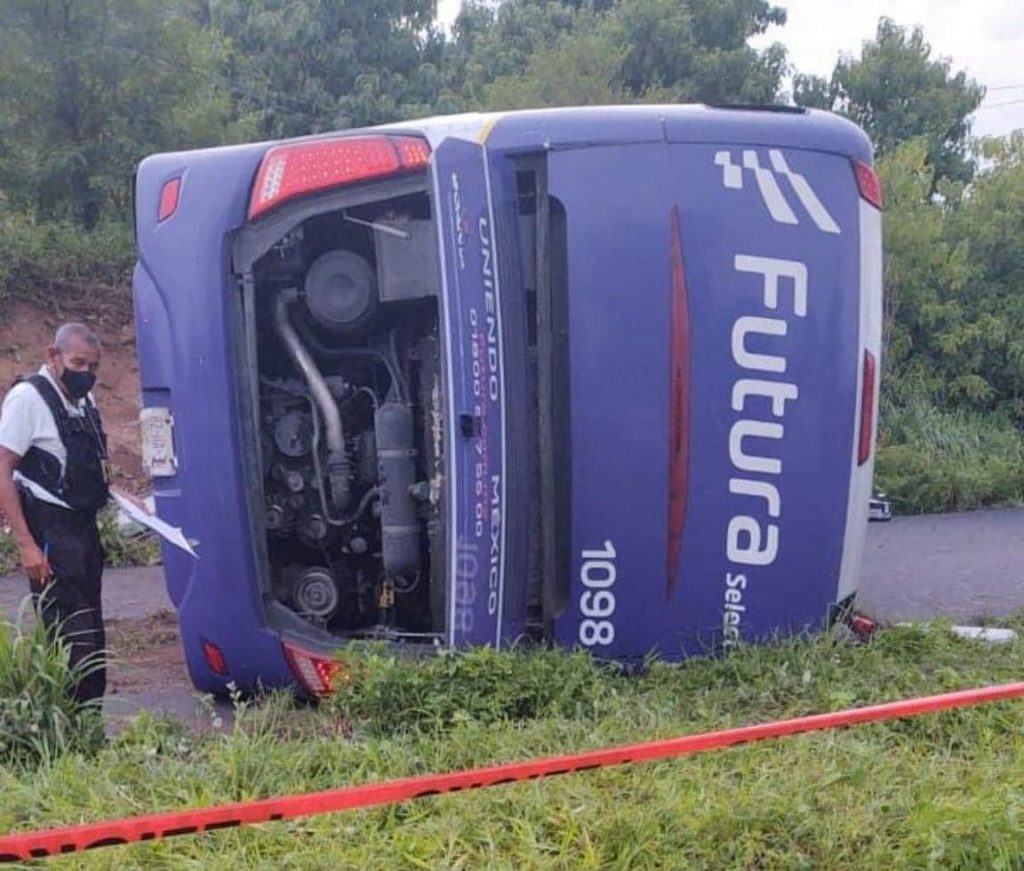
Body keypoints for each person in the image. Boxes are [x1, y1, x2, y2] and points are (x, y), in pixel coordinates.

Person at [0, 323, 117, 704]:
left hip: (84, 530)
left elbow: (87, 465)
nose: (86, 373)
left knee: (92, 633)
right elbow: (3, 468)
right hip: (50, 531)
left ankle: (90, 721)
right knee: (70, 637)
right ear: (53, 356)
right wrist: (26, 545)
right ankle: (70, 722)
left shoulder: (84, 400)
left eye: (93, 366)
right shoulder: (27, 398)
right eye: (78, 363)